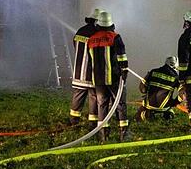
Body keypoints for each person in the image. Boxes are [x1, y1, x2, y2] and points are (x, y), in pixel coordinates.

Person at [87, 11, 129, 141]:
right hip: (114, 78)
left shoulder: (91, 39)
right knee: (120, 103)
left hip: (98, 80)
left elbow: (90, 60)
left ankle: (103, 135)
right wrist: (124, 71)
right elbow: (122, 57)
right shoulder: (115, 37)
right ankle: (124, 133)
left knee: (102, 105)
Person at [70, 8, 102, 129]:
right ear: (97, 22)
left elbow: (75, 46)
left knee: (78, 95)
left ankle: (74, 120)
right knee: (93, 96)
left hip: (79, 72)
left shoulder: (79, 31)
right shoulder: (97, 34)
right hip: (92, 73)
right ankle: (92, 122)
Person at [135, 56, 181, 121]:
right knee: (169, 109)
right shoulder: (176, 78)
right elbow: (183, 94)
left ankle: (145, 114)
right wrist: (175, 103)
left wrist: (146, 90)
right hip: (164, 107)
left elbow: (142, 89)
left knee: (139, 113)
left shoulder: (153, 71)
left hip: (149, 105)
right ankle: (168, 114)